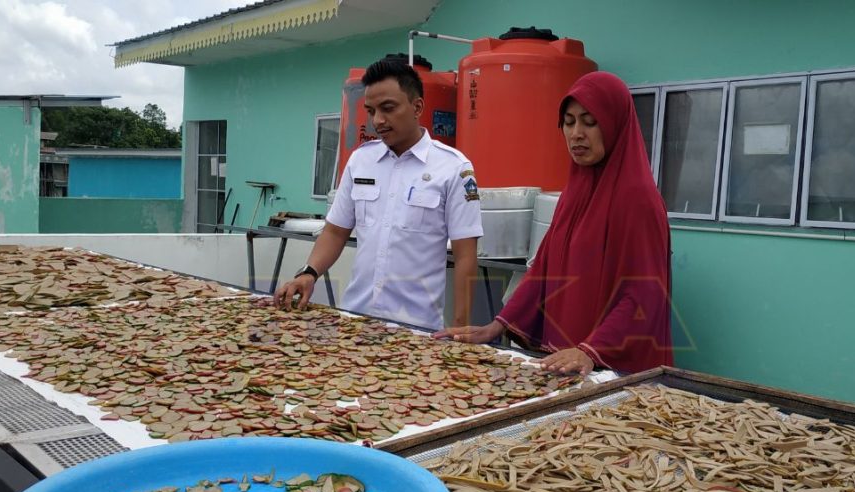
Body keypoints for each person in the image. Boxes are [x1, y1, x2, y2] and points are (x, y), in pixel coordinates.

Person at [436, 71, 672, 375]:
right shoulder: (575, 192)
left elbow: (645, 293)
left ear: (615, 125)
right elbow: (544, 271)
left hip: (616, 371)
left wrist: (591, 350)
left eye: (590, 122)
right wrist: (496, 325)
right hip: (569, 365)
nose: (576, 133)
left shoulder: (637, 199)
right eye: (569, 122)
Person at [274, 58, 482, 330]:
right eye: (371, 111)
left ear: (417, 106)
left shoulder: (454, 167)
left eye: (388, 108)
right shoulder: (361, 161)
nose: (378, 121)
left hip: (416, 329)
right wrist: (309, 273)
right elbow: (336, 231)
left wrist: (460, 327)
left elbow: (466, 255)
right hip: (354, 322)